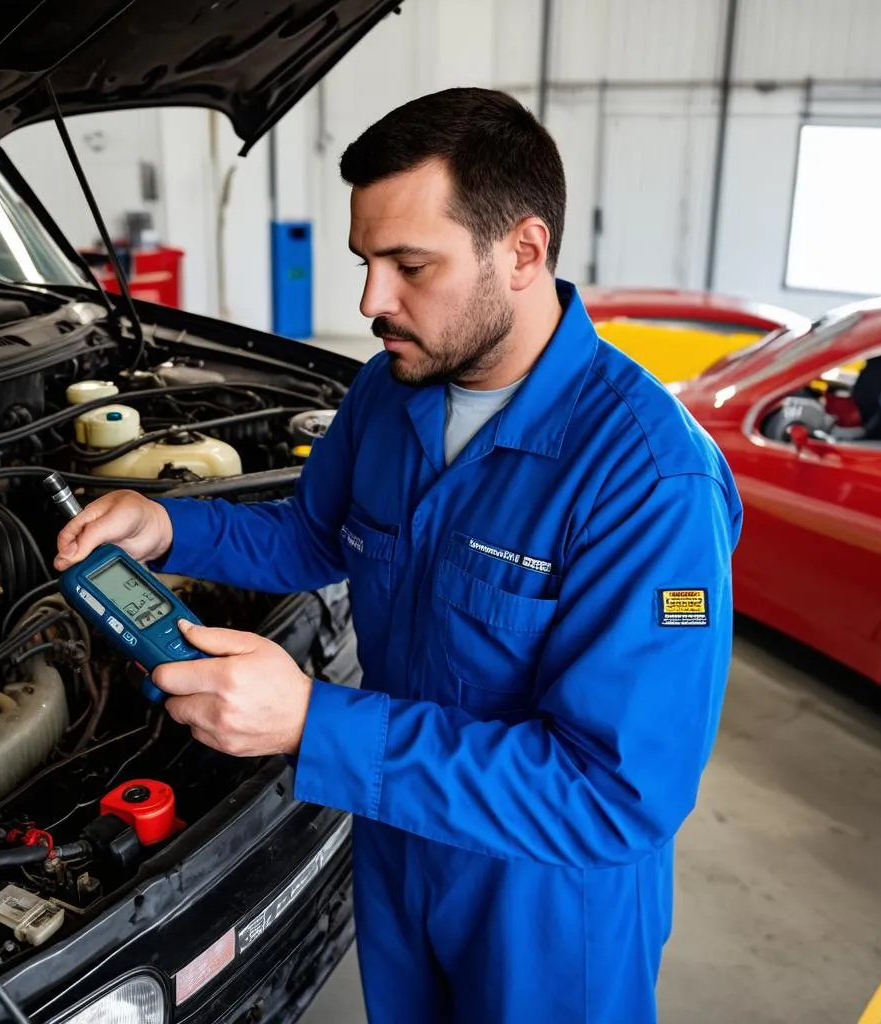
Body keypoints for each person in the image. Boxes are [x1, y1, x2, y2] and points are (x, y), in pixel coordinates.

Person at [55, 87, 743, 1024]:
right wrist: (171, 526)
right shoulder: (391, 391)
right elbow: (313, 537)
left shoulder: (651, 480)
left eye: (409, 264)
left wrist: (314, 723)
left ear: (524, 251)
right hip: (396, 833)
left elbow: (615, 797)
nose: (372, 301)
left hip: (544, 899)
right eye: (366, 261)